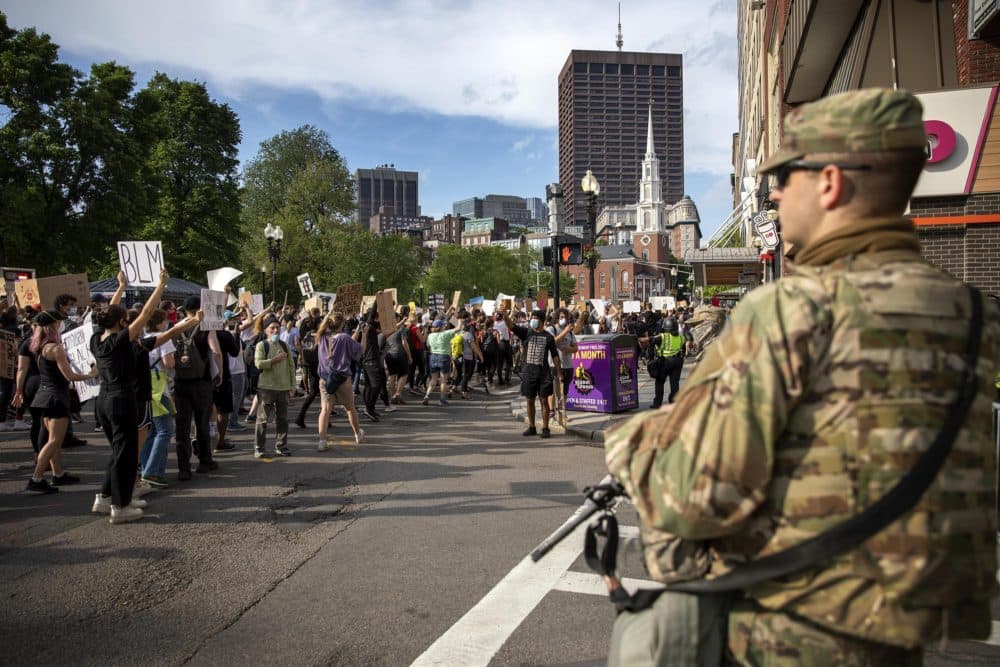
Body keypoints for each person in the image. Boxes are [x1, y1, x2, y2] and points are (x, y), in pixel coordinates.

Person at [603, 89, 1000, 665]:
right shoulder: (974, 316)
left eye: (785, 178)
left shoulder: (793, 311)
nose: (775, 196)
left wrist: (632, 445)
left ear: (832, 183)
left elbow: (694, 498)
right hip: (907, 630)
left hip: (789, 631)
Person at [90, 269, 167, 523]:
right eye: (126, 318)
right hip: (122, 399)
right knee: (125, 453)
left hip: (103, 399)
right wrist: (160, 286)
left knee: (117, 450)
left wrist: (120, 288)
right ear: (123, 323)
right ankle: (120, 507)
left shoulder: (97, 339)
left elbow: (108, 314)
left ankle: (104, 497)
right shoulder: (121, 341)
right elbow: (145, 314)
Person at [20, 309, 98, 494]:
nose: (60, 325)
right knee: (55, 440)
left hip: (45, 395)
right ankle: (36, 478)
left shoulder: (38, 346)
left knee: (53, 439)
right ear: (53, 325)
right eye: (58, 322)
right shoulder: (55, 348)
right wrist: (91, 374)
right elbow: (69, 374)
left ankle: (58, 474)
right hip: (55, 398)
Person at [173, 296, 223, 480]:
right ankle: (204, 460)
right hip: (201, 382)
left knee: (182, 427)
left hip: (180, 382)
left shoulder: (176, 328)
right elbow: (216, 352)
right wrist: (220, 373)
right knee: (202, 422)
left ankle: (183, 468)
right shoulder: (206, 327)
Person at [501, 308, 560, 438]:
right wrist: (505, 315)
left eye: (535, 318)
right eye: (532, 317)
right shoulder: (526, 333)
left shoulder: (549, 337)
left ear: (542, 321)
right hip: (529, 373)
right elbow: (511, 325)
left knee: (544, 400)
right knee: (529, 400)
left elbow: (555, 355)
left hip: (544, 374)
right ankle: (532, 427)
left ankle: (545, 428)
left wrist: (559, 372)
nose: (532, 320)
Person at [316, 312, 364, 450]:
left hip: (325, 378)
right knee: (349, 408)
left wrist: (329, 313)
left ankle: (322, 441)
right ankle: (357, 434)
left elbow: (347, 342)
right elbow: (359, 351)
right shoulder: (344, 337)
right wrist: (364, 334)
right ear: (342, 323)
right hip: (342, 378)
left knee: (325, 409)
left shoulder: (322, 336)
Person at [253, 316, 295, 458]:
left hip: (283, 388)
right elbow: (258, 364)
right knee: (263, 419)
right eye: (272, 328)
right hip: (266, 388)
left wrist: (292, 385)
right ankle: (259, 447)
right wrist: (273, 361)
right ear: (266, 330)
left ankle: (281, 446)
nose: (275, 330)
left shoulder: (284, 345)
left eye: (277, 327)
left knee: (282, 419)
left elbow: (291, 366)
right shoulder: (262, 345)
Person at [639, 316, 685, 409]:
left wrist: (638, 339)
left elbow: (649, 340)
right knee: (675, 383)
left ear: (665, 327)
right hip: (678, 361)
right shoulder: (681, 337)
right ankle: (673, 402)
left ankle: (657, 403)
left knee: (659, 382)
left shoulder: (662, 336)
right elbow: (684, 350)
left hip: (665, 362)